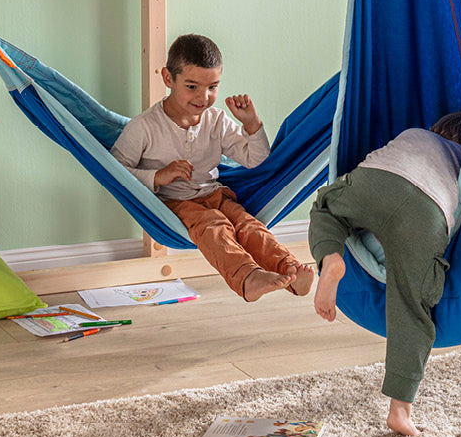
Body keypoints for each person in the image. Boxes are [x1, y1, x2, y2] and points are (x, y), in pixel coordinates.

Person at [112, 34, 315, 302]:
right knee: (214, 225)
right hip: (175, 203)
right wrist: (158, 176)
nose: (204, 97)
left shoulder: (216, 120)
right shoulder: (144, 127)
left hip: (215, 195)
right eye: (192, 86)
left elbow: (256, 161)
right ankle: (247, 277)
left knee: (248, 225)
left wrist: (252, 125)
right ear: (168, 78)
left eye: (212, 87)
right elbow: (115, 170)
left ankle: (289, 270)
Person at [307, 111, 461, 437]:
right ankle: (400, 410)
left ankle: (331, 257)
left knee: (326, 207)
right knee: (412, 303)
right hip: (428, 209)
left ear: (436, 129)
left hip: (378, 179)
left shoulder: (414, 133)